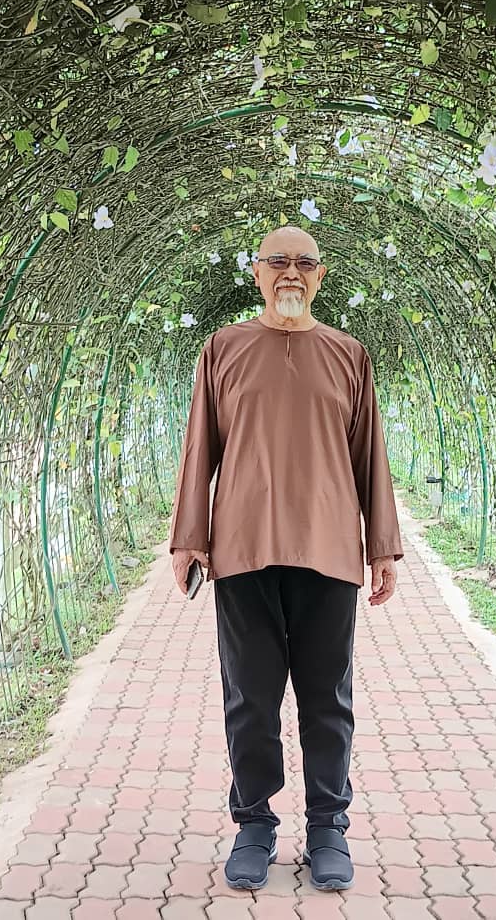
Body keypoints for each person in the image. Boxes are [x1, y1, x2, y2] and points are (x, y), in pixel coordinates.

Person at [168, 224, 404, 891]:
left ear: (321, 276)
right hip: (242, 550)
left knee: (328, 697)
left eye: (304, 263)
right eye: (279, 262)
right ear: (257, 273)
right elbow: (198, 450)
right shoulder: (223, 349)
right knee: (250, 696)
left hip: (329, 551)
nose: (291, 273)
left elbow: (370, 457)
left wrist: (381, 547)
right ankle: (254, 824)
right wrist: (190, 538)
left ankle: (327, 826)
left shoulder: (348, 355)